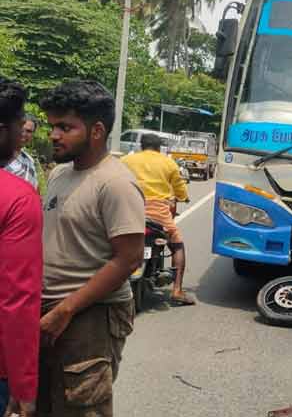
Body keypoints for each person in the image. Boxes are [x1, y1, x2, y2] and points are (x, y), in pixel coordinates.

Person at [38, 80, 145, 417]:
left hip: (91, 315)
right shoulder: (58, 174)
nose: (54, 135)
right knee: (41, 404)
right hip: (50, 308)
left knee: (81, 407)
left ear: (97, 130)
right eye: (52, 126)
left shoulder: (115, 183)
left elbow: (128, 259)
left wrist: (66, 309)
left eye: (65, 127)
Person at [0, 80, 43, 417]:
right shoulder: (16, 198)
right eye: (19, 124)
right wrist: (24, 385)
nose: (22, 132)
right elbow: (18, 299)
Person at [122, 133, 194, 305]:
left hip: (130, 211)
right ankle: (177, 291)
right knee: (177, 244)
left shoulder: (126, 160)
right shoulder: (168, 163)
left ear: (141, 146)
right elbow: (179, 188)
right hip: (158, 216)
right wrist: (184, 197)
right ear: (159, 147)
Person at [3, 114, 38, 190]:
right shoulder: (2, 156)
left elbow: (33, 190)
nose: (23, 134)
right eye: (21, 129)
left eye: (28, 131)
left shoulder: (30, 161)